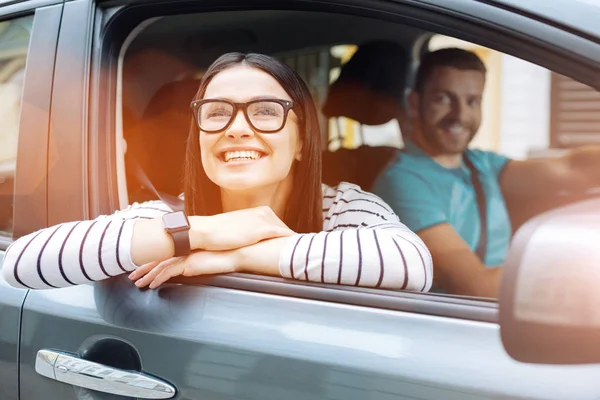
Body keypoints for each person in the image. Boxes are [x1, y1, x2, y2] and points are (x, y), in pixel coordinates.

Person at [2, 52, 432, 292]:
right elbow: (22, 264)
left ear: (303, 141)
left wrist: (239, 254)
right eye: (217, 112)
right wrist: (202, 233)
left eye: (266, 112)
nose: (237, 129)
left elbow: (412, 265)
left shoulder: (343, 208)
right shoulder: (173, 218)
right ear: (200, 138)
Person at [372, 47, 600, 298]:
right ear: (415, 103)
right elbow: (476, 287)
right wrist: (580, 266)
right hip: (457, 322)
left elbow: (569, 169)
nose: (460, 115)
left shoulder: (480, 163)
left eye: (472, 101)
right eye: (443, 99)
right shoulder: (404, 181)